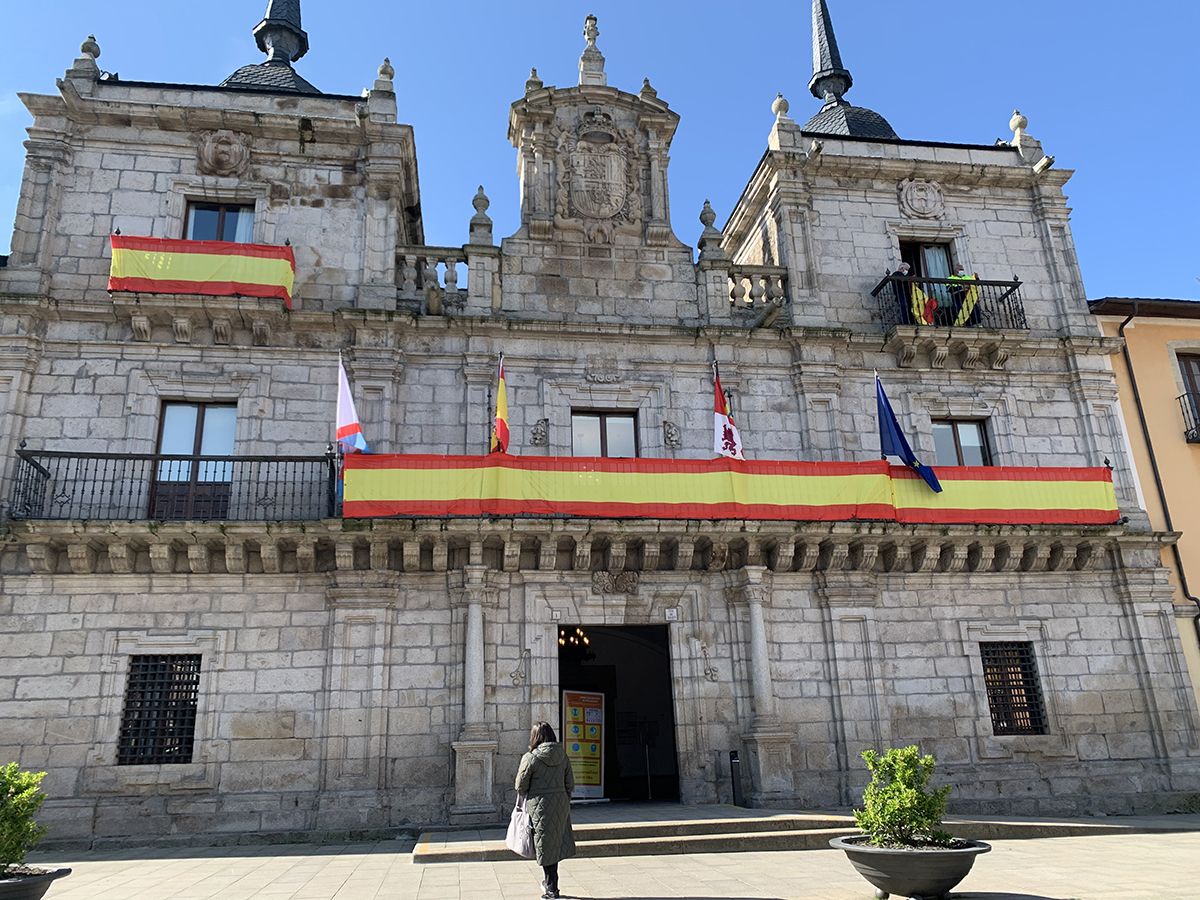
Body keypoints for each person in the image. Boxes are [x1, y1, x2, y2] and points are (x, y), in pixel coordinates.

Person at [516, 721, 576, 899]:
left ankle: (551, 888)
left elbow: (520, 785)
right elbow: (570, 784)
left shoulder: (530, 757)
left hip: (539, 805)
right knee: (553, 843)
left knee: (544, 844)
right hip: (560, 803)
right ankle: (551, 884)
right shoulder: (563, 755)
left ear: (535, 737)